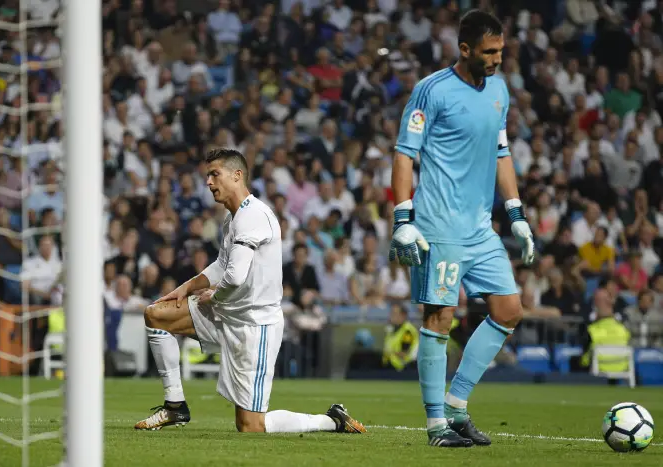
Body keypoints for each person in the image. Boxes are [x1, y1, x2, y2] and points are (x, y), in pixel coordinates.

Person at [134, 148, 366, 434]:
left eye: (214, 174)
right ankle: (175, 406)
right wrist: (186, 287)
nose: (208, 182)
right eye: (208, 175)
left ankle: (331, 420)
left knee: (251, 427)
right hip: (227, 312)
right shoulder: (232, 218)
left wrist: (213, 296)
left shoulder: (253, 215)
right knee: (156, 315)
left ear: (237, 175)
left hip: (255, 325)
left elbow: (233, 278)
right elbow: (222, 264)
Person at [388, 10, 534, 448]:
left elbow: (502, 153)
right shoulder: (431, 91)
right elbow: (402, 154)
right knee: (440, 318)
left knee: (509, 310)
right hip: (439, 225)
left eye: (501, 51)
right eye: (489, 52)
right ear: (465, 49)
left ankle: (456, 406)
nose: (496, 60)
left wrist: (516, 213)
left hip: (480, 228)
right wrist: (402, 219)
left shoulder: (499, 90)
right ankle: (436, 426)